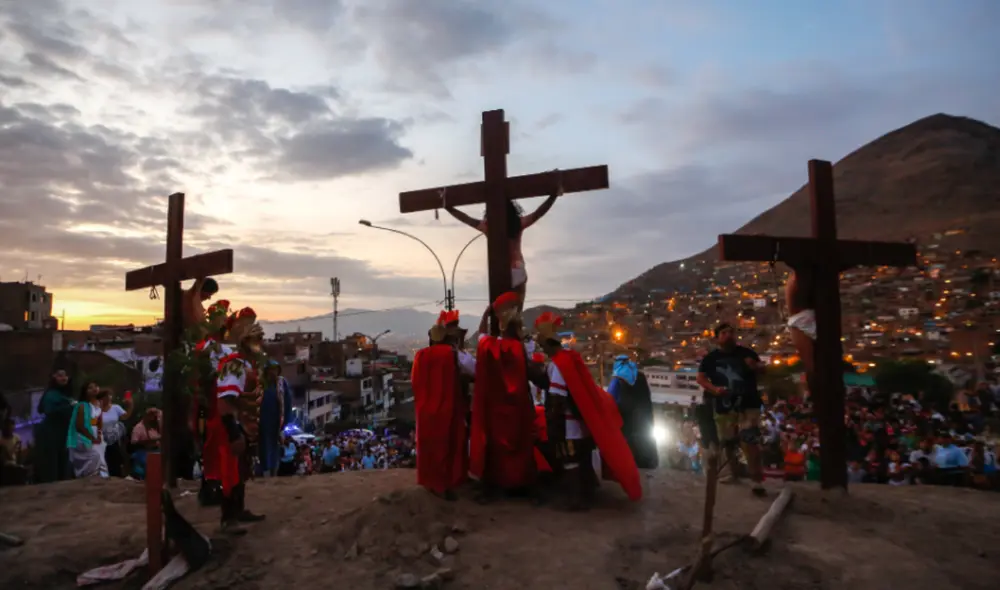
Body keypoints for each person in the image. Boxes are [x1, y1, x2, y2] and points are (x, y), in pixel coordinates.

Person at [534, 312, 642, 510]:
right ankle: (588, 490)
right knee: (582, 459)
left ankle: (577, 501)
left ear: (549, 344)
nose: (543, 349)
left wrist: (553, 427)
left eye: (543, 346)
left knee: (570, 461)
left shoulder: (559, 365)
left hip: (569, 424)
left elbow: (557, 398)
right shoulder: (568, 359)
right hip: (581, 421)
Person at [469, 293, 538, 500]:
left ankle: (496, 484)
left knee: (497, 447)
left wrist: (486, 314)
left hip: (496, 408)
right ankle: (519, 483)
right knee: (520, 445)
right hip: (518, 406)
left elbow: (481, 335)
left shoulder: (490, 345)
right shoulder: (521, 348)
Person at [445, 190, 560, 312]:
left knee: (499, 311)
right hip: (517, 268)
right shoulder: (517, 224)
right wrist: (553, 196)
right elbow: (538, 213)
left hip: (498, 271)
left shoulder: (489, 226)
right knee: (516, 312)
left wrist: (449, 208)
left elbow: (467, 219)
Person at [696, 323, 766, 497]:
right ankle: (731, 474)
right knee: (727, 442)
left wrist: (756, 367)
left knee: (750, 441)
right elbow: (700, 378)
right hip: (724, 405)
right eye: (724, 333)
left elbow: (764, 372)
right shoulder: (711, 358)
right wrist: (714, 390)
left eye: (731, 332)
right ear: (717, 338)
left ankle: (756, 480)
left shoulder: (747, 354)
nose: (729, 335)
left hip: (748, 404)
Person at [211, 307, 265, 534]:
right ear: (245, 341)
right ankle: (228, 519)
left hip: (244, 423)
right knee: (230, 471)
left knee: (241, 469)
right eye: (256, 339)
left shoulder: (247, 364)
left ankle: (239, 509)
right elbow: (225, 400)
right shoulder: (233, 365)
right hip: (229, 425)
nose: (260, 343)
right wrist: (233, 432)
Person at [411, 310, 471, 500]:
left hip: (425, 410)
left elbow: (415, 382)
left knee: (429, 446)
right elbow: (475, 369)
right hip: (448, 407)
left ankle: (430, 482)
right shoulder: (453, 354)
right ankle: (448, 483)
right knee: (448, 444)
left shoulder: (420, 356)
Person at [193, 300, 232, 505]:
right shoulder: (203, 349)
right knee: (209, 444)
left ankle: (223, 485)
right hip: (208, 403)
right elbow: (198, 377)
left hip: (223, 403)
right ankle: (210, 484)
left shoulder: (226, 351)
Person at [608, 354, 658, 469]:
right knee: (644, 438)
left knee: (628, 440)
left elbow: (611, 397)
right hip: (643, 416)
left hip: (626, 416)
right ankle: (646, 462)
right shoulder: (640, 375)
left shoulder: (618, 378)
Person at [33, 367, 76, 483]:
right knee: (52, 467)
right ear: (54, 378)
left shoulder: (66, 395)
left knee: (63, 465)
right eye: (59, 375)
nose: (63, 378)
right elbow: (49, 410)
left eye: (65, 375)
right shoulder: (51, 394)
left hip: (63, 434)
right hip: (50, 434)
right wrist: (70, 406)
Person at [67, 381, 107, 479]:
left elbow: (97, 421)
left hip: (96, 436)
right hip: (83, 438)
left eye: (96, 386)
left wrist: (98, 435)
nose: (94, 389)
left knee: (100, 455)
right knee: (95, 455)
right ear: (85, 392)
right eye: (90, 388)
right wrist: (92, 438)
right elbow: (80, 426)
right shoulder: (82, 406)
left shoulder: (98, 404)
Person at [258, 360, 286, 477]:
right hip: (262, 423)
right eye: (270, 369)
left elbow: (287, 404)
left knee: (275, 448)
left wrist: (285, 422)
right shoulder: (260, 384)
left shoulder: (281, 384)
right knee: (263, 448)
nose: (273, 372)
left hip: (276, 423)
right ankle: (265, 472)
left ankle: (274, 472)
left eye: (275, 369)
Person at [99, 389, 134, 478]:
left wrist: (130, 406)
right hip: (101, 439)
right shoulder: (96, 410)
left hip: (115, 439)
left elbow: (125, 416)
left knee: (116, 461)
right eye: (106, 396)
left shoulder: (115, 408)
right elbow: (93, 423)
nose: (108, 398)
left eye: (110, 395)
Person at [131, 408, 162, 479]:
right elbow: (133, 443)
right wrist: (149, 442)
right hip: (143, 452)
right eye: (152, 416)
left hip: (157, 451)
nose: (154, 419)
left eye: (155, 417)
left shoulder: (156, 426)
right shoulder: (139, 427)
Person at [1, 418, 27, 486]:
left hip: (15, 465)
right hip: (5, 466)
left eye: (11, 428)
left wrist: (20, 464)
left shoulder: (17, 438)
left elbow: (19, 453)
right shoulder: (1, 440)